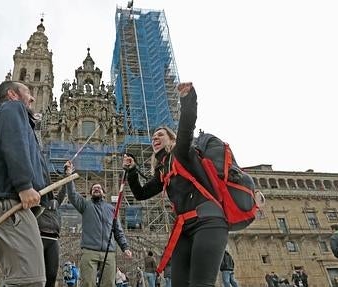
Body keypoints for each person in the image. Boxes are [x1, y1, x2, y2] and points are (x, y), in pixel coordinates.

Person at [122, 82, 229, 287]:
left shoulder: (181, 152)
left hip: (208, 221)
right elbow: (141, 194)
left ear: (171, 139)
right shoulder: (162, 169)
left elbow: (187, 124)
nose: (155, 138)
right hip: (184, 226)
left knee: (201, 283)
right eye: (153, 137)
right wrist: (133, 171)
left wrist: (188, 98)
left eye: (160, 135)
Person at [0, 81, 47, 287]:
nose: (32, 98)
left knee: (20, 278)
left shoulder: (6, 114)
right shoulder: (12, 109)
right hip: (5, 201)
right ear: (13, 95)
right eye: (28, 92)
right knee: (29, 281)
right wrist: (24, 185)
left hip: (2, 202)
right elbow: (14, 143)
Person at [63, 160, 133, 287]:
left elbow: (117, 230)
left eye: (99, 188)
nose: (96, 189)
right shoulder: (85, 205)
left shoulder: (111, 209)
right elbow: (72, 195)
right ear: (90, 193)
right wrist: (69, 175)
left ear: (104, 193)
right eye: (94, 188)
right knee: (88, 283)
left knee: (109, 284)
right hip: (89, 251)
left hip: (109, 251)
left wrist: (125, 247)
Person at [37, 186, 66, 287]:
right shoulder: (37, 201)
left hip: (53, 239)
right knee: (37, 274)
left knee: (52, 274)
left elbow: (63, 192)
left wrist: (67, 175)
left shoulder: (55, 203)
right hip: (39, 238)